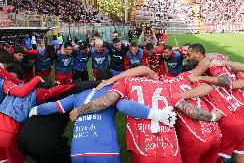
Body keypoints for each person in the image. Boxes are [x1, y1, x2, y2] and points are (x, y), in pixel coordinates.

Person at [69, 66, 222, 163]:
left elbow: (105, 102)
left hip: (143, 148)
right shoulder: (166, 85)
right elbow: (191, 111)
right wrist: (213, 116)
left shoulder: (125, 82)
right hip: (170, 151)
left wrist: (79, 110)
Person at [29, 69, 177, 163]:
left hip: (77, 152)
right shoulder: (112, 91)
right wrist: (159, 115)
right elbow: (125, 106)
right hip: (103, 151)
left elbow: (53, 107)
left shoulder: (79, 94)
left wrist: (34, 110)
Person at [0, 65, 74, 163]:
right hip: (7, 134)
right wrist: (75, 86)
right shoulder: (38, 93)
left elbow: (10, 77)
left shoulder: (17, 85)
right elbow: (56, 91)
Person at [186, 44, 244, 163]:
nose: (186, 58)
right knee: (239, 152)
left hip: (231, 119)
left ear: (198, 54)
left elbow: (230, 82)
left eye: (188, 54)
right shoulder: (215, 64)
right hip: (238, 112)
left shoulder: (214, 68)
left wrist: (199, 78)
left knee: (215, 157)